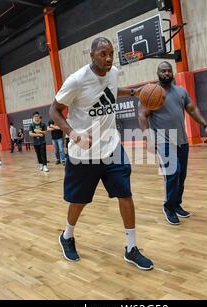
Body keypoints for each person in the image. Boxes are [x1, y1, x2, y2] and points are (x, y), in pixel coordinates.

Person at [49, 36, 153, 270]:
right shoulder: (77, 80)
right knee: (79, 200)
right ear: (92, 55)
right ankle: (67, 236)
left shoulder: (113, 72)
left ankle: (131, 247)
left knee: (125, 194)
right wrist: (73, 134)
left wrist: (134, 92)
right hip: (83, 152)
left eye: (111, 54)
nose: (108, 58)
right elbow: (54, 110)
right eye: (103, 54)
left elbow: (112, 91)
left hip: (111, 146)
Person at [138, 61, 207, 226]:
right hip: (163, 140)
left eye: (168, 70)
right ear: (158, 73)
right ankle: (169, 207)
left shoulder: (181, 91)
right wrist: (148, 138)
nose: (166, 73)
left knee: (182, 175)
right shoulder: (151, 92)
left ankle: (177, 203)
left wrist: (205, 125)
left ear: (172, 73)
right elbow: (142, 116)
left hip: (182, 140)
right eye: (163, 71)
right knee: (173, 173)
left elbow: (192, 110)